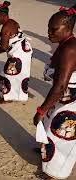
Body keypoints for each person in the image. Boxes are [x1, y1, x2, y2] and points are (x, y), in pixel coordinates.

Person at [33, 4, 76, 179]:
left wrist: (41, 110)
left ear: (68, 28)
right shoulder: (64, 43)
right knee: (50, 127)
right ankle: (46, 149)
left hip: (71, 100)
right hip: (62, 97)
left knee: (61, 134)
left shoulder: (70, 49)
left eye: (54, 29)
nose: (49, 33)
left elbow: (60, 85)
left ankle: (56, 171)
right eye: (48, 28)